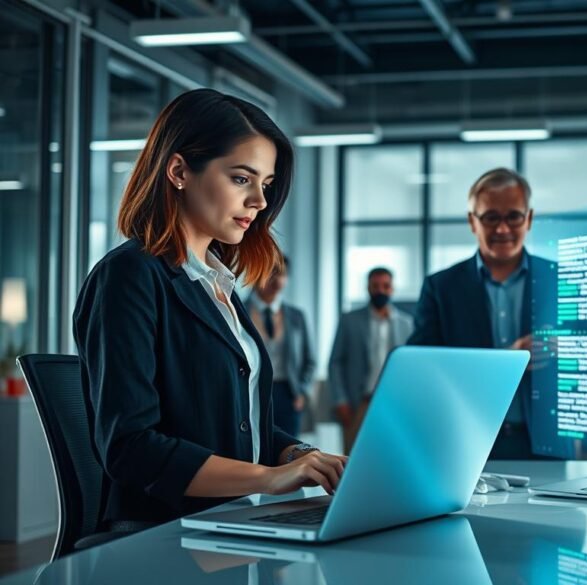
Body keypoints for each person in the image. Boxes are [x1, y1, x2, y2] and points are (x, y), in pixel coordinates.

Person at [74, 89, 347, 531]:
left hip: (234, 520)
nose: (260, 201)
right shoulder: (129, 276)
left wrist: (303, 456)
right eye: (242, 179)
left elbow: (239, 426)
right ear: (179, 171)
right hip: (168, 533)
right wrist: (270, 478)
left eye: (266, 184)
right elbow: (131, 448)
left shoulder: (218, 287)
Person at [408, 167, 558, 460]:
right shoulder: (441, 287)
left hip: (546, 440)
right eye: (490, 217)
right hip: (466, 439)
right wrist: (507, 360)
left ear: (528, 219)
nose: (502, 229)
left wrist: (569, 349)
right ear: (472, 221)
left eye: (513, 216)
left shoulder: (560, 280)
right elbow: (424, 369)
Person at [327, 267, 414, 453]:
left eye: (385, 286)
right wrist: (340, 400)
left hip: (394, 403)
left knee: (391, 454)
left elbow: (411, 367)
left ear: (392, 289)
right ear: (368, 288)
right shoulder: (349, 320)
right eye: (375, 286)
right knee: (353, 458)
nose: (380, 290)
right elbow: (335, 363)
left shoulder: (407, 323)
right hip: (358, 404)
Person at [245, 256, 315, 437]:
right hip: (252, 391)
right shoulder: (239, 311)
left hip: (287, 392)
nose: (276, 279)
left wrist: (302, 392)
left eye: (282, 274)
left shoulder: (296, 316)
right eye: (271, 273)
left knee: (290, 446)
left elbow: (310, 360)